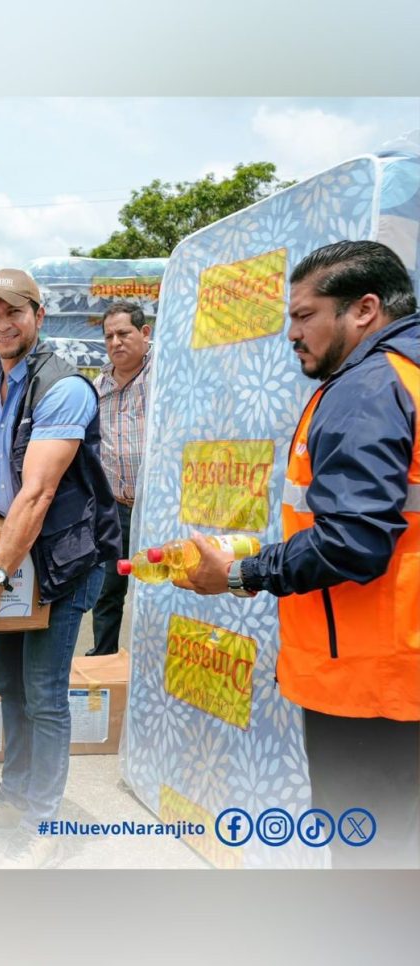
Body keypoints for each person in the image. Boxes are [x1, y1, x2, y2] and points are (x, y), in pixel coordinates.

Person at [177, 240, 419, 870]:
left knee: (373, 859)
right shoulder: (406, 377)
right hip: (401, 669)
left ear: (364, 309)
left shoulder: (366, 390)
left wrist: (237, 573)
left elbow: (353, 541)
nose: (291, 333)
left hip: (373, 683)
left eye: (304, 315)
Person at [0, 268, 121, 869]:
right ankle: (15, 796)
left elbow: (36, 496)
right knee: (9, 683)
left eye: (13, 312)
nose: (2, 324)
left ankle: (46, 820)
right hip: (11, 557)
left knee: (43, 692)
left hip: (62, 559)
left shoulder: (64, 388)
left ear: (37, 314)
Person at [87, 301, 153, 656]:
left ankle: (152, 666)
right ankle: (104, 661)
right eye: (109, 336)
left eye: (124, 333)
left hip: (159, 509)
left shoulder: (166, 376)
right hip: (116, 510)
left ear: (145, 333)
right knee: (108, 590)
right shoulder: (96, 389)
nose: (116, 342)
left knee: (160, 588)